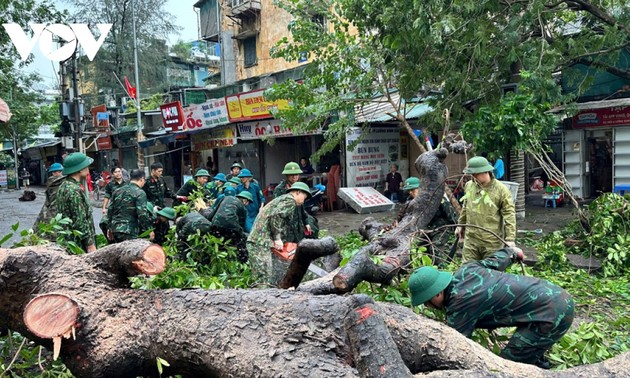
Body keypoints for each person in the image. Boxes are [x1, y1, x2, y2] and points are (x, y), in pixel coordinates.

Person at [408, 247, 574, 369]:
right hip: (555, 295)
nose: (428, 306)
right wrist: (513, 252)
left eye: (427, 302)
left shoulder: (460, 304)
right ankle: (538, 363)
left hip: (552, 313)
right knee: (526, 350)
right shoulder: (467, 270)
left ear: (436, 294)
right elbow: (497, 260)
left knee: (507, 366)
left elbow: (455, 346)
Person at [247, 182, 312, 285]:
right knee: (264, 277)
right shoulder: (290, 201)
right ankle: (261, 298)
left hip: (262, 240)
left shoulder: (283, 199)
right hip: (260, 241)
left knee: (268, 274)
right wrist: (277, 238)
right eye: (304, 197)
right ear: (298, 192)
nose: (303, 201)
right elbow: (276, 216)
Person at [456, 156, 516, 262]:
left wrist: (510, 238)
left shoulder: (501, 190)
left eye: (475, 174)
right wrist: (460, 225)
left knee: (491, 273)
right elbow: (466, 207)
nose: (473, 177)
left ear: (485, 172)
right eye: (471, 174)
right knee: (467, 271)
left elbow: (509, 214)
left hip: (492, 241)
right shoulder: (470, 186)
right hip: (471, 239)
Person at [56, 153, 96, 253]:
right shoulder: (74, 190)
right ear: (80, 169)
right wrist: (90, 244)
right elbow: (80, 220)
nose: (88, 170)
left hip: (68, 241)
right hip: (78, 244)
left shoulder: (64, 186)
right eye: (86, 167)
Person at [107, 169, 154, 243]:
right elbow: (142, 214)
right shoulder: (140, 193)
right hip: (129, 230)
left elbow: (110, 210)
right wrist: (149, 229)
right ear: (142, 179)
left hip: (115, 229)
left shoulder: (117, 191)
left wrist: (109, 228)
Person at [273, 162, 316, 242]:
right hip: (286, 227)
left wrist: (306, 222)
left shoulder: (300, 187)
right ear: (287, 175)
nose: (294, 177)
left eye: (296, 174)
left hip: (298, 225)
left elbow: (302, 208)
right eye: (292, 175)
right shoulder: (280, 190)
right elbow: (276, 211)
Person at [209, 191, 252, 262]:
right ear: (245, 200)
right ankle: (242, 261)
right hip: (231, 228)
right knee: (240, 243)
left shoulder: (225, 198)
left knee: (218, 244)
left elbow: (213, 212)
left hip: (216, 225)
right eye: (248, 203)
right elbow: (242, 225)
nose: (247, 205)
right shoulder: (243, 208)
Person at [33, 163, 65, 234]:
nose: (60, 173)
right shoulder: (63, 181)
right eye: (59, 171)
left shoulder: (50, 180)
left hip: (51, 204)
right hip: (57, 205)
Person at [236, 168, 265, 233]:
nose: (242, 178)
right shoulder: (239, 188)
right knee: (249, 230)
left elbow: (262, 198)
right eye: (241, 177)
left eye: (244, 177)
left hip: (255, 213)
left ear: (248, 177)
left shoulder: (255, 187)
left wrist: (261, 208)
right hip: (245, 213)